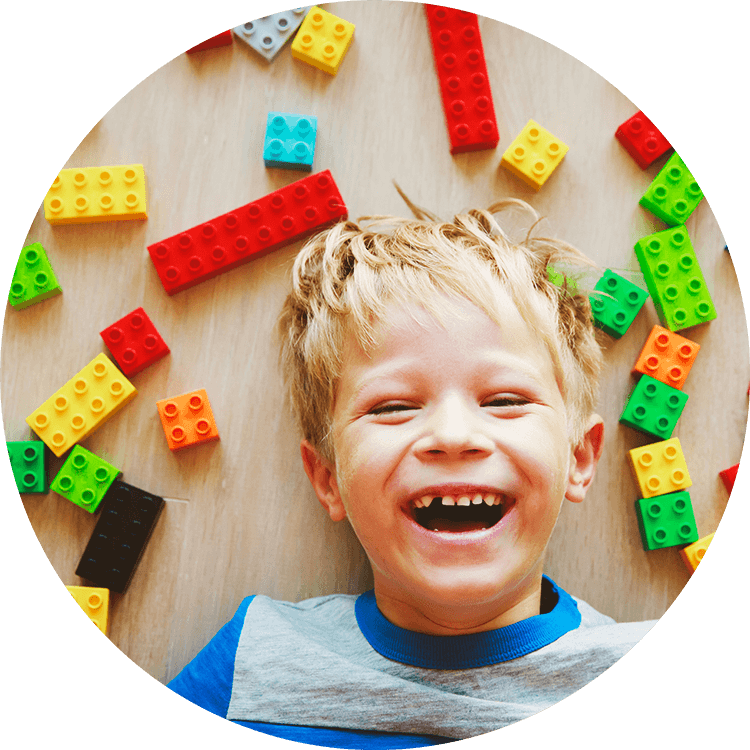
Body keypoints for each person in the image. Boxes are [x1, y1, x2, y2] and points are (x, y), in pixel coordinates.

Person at [167, 195, 656, 746]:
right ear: (327, 477)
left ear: (580, 458)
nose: (452, 436)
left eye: (504, 400)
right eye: (392, 407)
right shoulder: (252, 659)